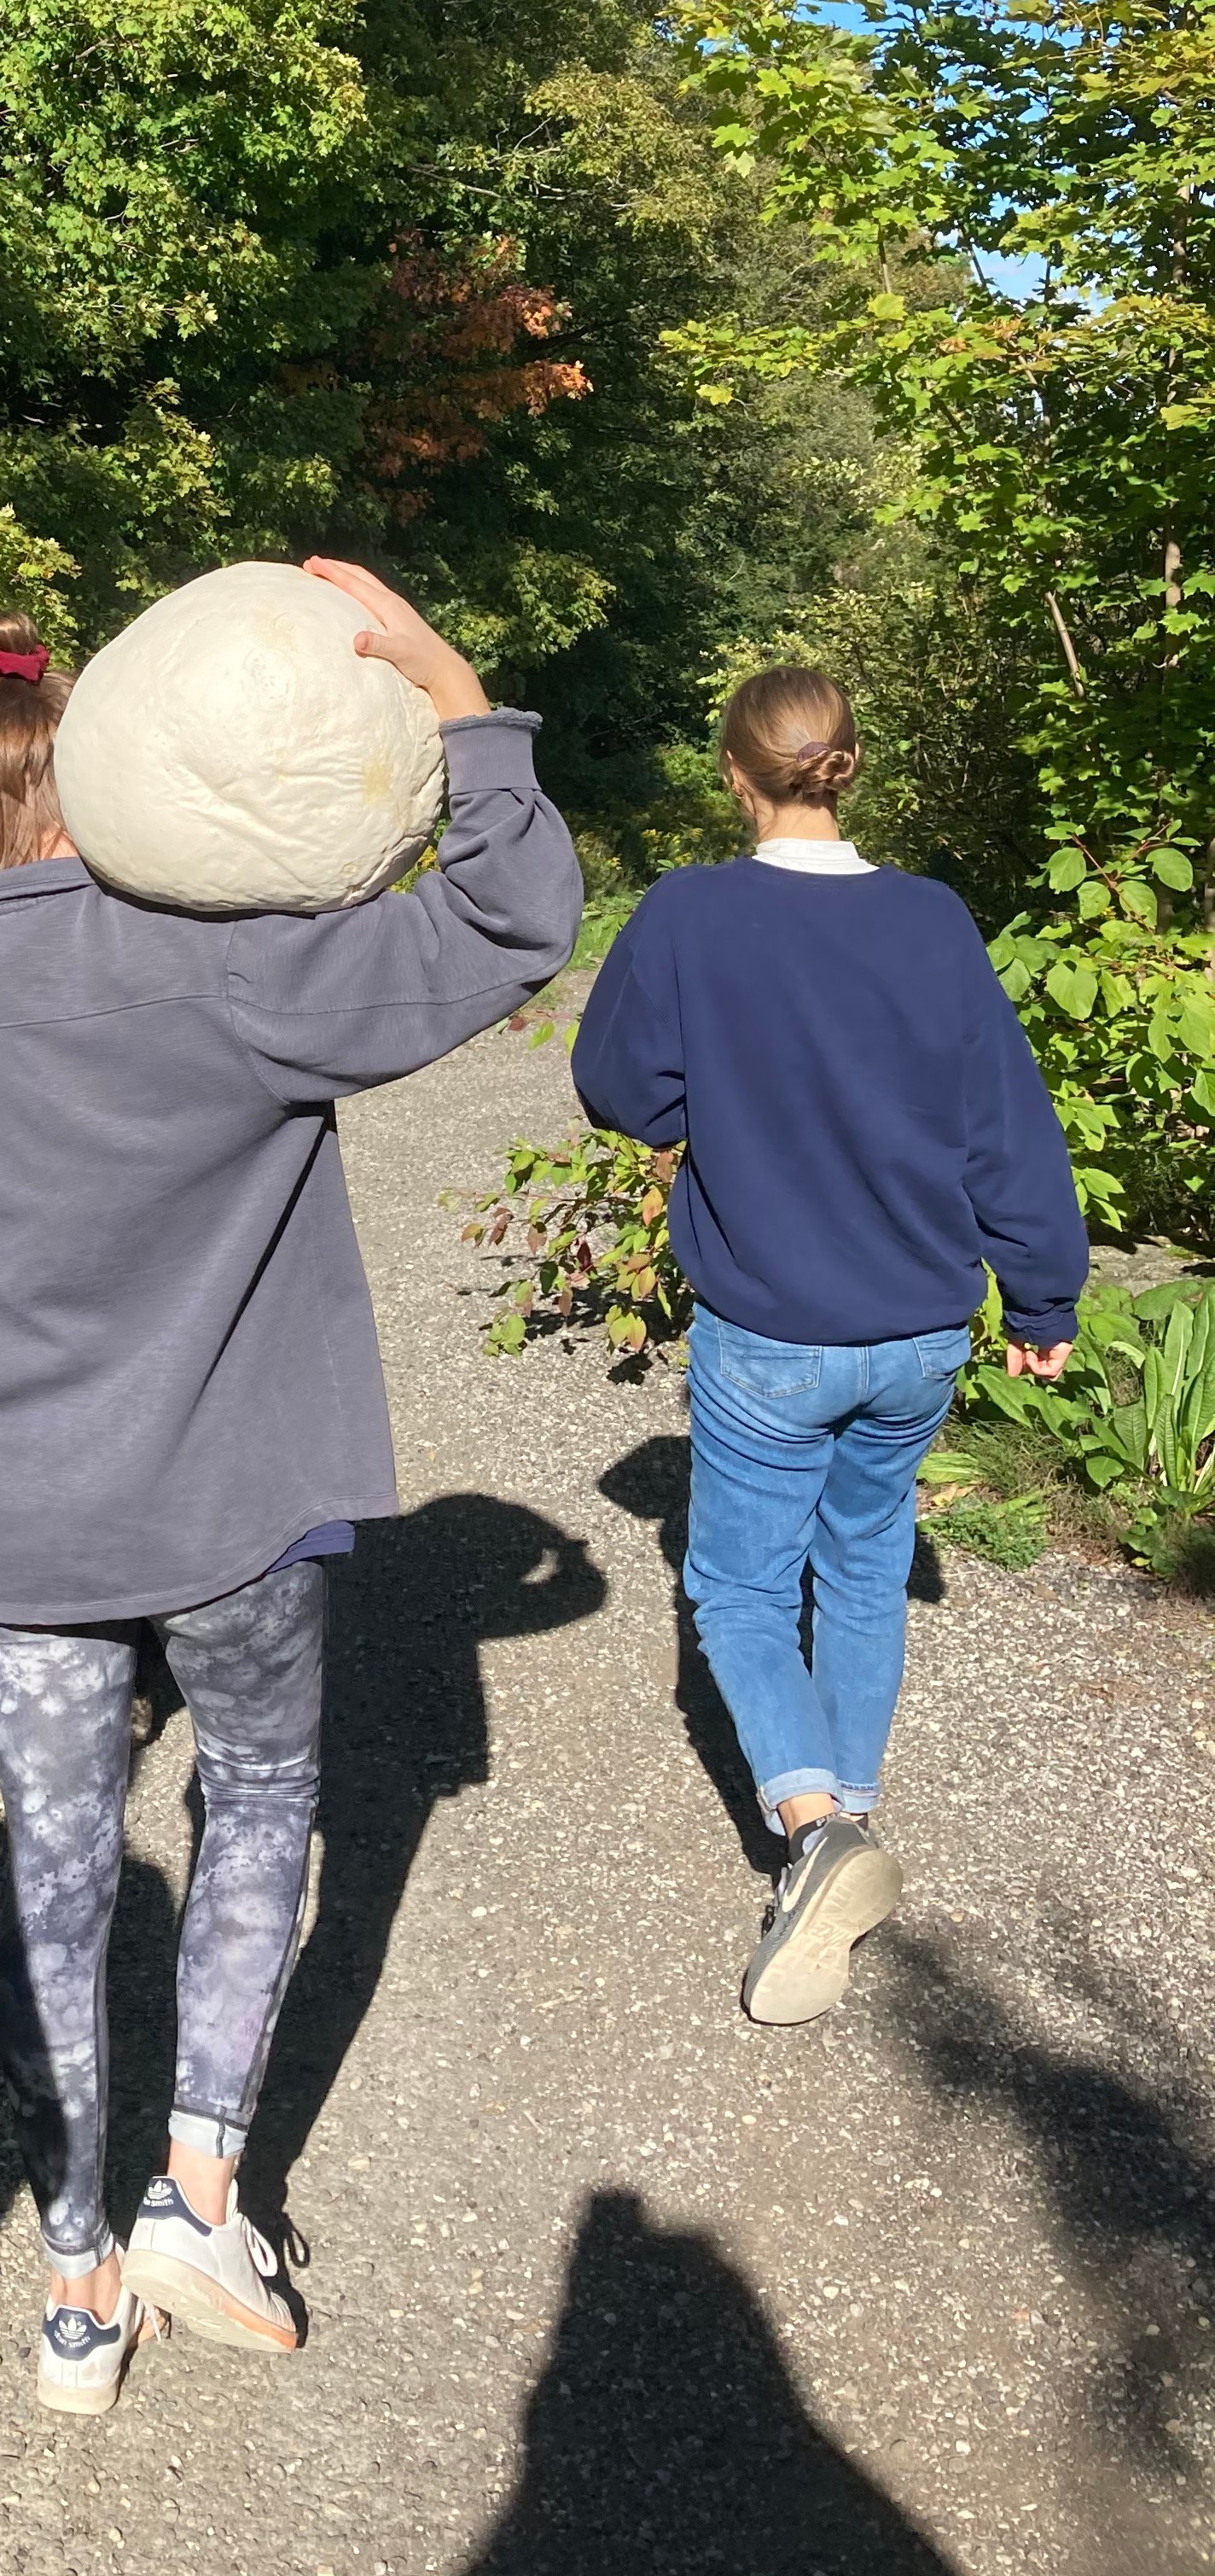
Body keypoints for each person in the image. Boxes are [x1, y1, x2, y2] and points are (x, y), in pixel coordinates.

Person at [0, 580, 581, 2414]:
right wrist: (461, 700)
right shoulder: (227, 963)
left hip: (23, 1539)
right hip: (231, 1514)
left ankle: (72, 2287)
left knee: (57, 1873)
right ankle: (199, 2191)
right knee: (269, 1793)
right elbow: (513, 918)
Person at [572, 665, 1086, 2026]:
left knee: (739, 1590)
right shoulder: (933, 920)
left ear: (736, 773)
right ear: (848, 763)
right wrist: (1043, 1300)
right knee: (863, 1566)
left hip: (772, 1329)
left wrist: (720, 1087)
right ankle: (847, 1817)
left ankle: (814, 1833)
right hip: (920, 1326)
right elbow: (1005, 1125)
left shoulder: (691, 912)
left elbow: (621, 1087)